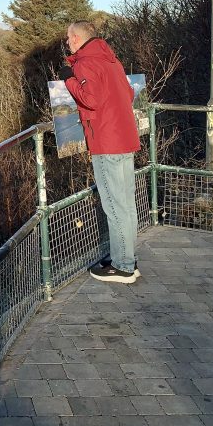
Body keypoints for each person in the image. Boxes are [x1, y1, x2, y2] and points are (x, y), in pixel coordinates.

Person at [58, 20, 140, 283]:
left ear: (77, 37)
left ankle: (124, 266)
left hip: (106, 142)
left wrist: (69, 80)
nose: (67, 41)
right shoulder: (111, 61)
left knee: (114, 206)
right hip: (125, 138)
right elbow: (128, 94)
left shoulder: (84, 63)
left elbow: (90, 99)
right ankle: (125, 258)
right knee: (126, 204)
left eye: (69, 36)